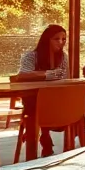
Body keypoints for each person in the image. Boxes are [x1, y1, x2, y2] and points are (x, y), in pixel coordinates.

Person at [17, 25, 70, 156]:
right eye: (56, 39)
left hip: (57, 98)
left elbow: (66, 78)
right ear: (47, 39)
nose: (61, 42)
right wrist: (46, 74)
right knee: (36, 103)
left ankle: (40, 134)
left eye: (63, 39)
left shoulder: (63, 57)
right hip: (33, 98)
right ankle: (41, 137)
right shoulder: (31, 56)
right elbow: (22, 75)